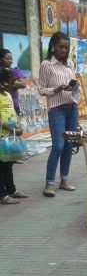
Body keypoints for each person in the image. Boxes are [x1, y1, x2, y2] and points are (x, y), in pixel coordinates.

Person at [38, 31, 79, 197]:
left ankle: (64, 179)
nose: (64, 50)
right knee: (58, 146)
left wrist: (73, 88)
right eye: (61, 47)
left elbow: (76, 89)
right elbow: (41, 89)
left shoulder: (69, 63)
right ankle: (49, 183)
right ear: (53, 47)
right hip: (56, 110)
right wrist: (56, 89)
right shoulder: (46, 65)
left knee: (69, 145)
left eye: (67, 47)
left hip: (72, 108)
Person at [0, 68, 28, 204]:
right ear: (2, 83)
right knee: (1, 165)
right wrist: (12, 130)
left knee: (8, 163)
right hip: (2, 135)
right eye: (10, 83)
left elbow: (12, 111)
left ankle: (11, 190)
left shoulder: (7, 94)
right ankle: (2, 195)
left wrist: (17, 125)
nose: (13, 86)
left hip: (10, 133)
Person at [0, 49, 27, 116]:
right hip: (3, 105)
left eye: (11, 59)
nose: (10, 61)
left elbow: (23, 84)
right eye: (7, 58)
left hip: (14, 104)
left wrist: (10, 82)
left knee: (15, 123)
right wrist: (15, 83)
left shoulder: (15, 70)